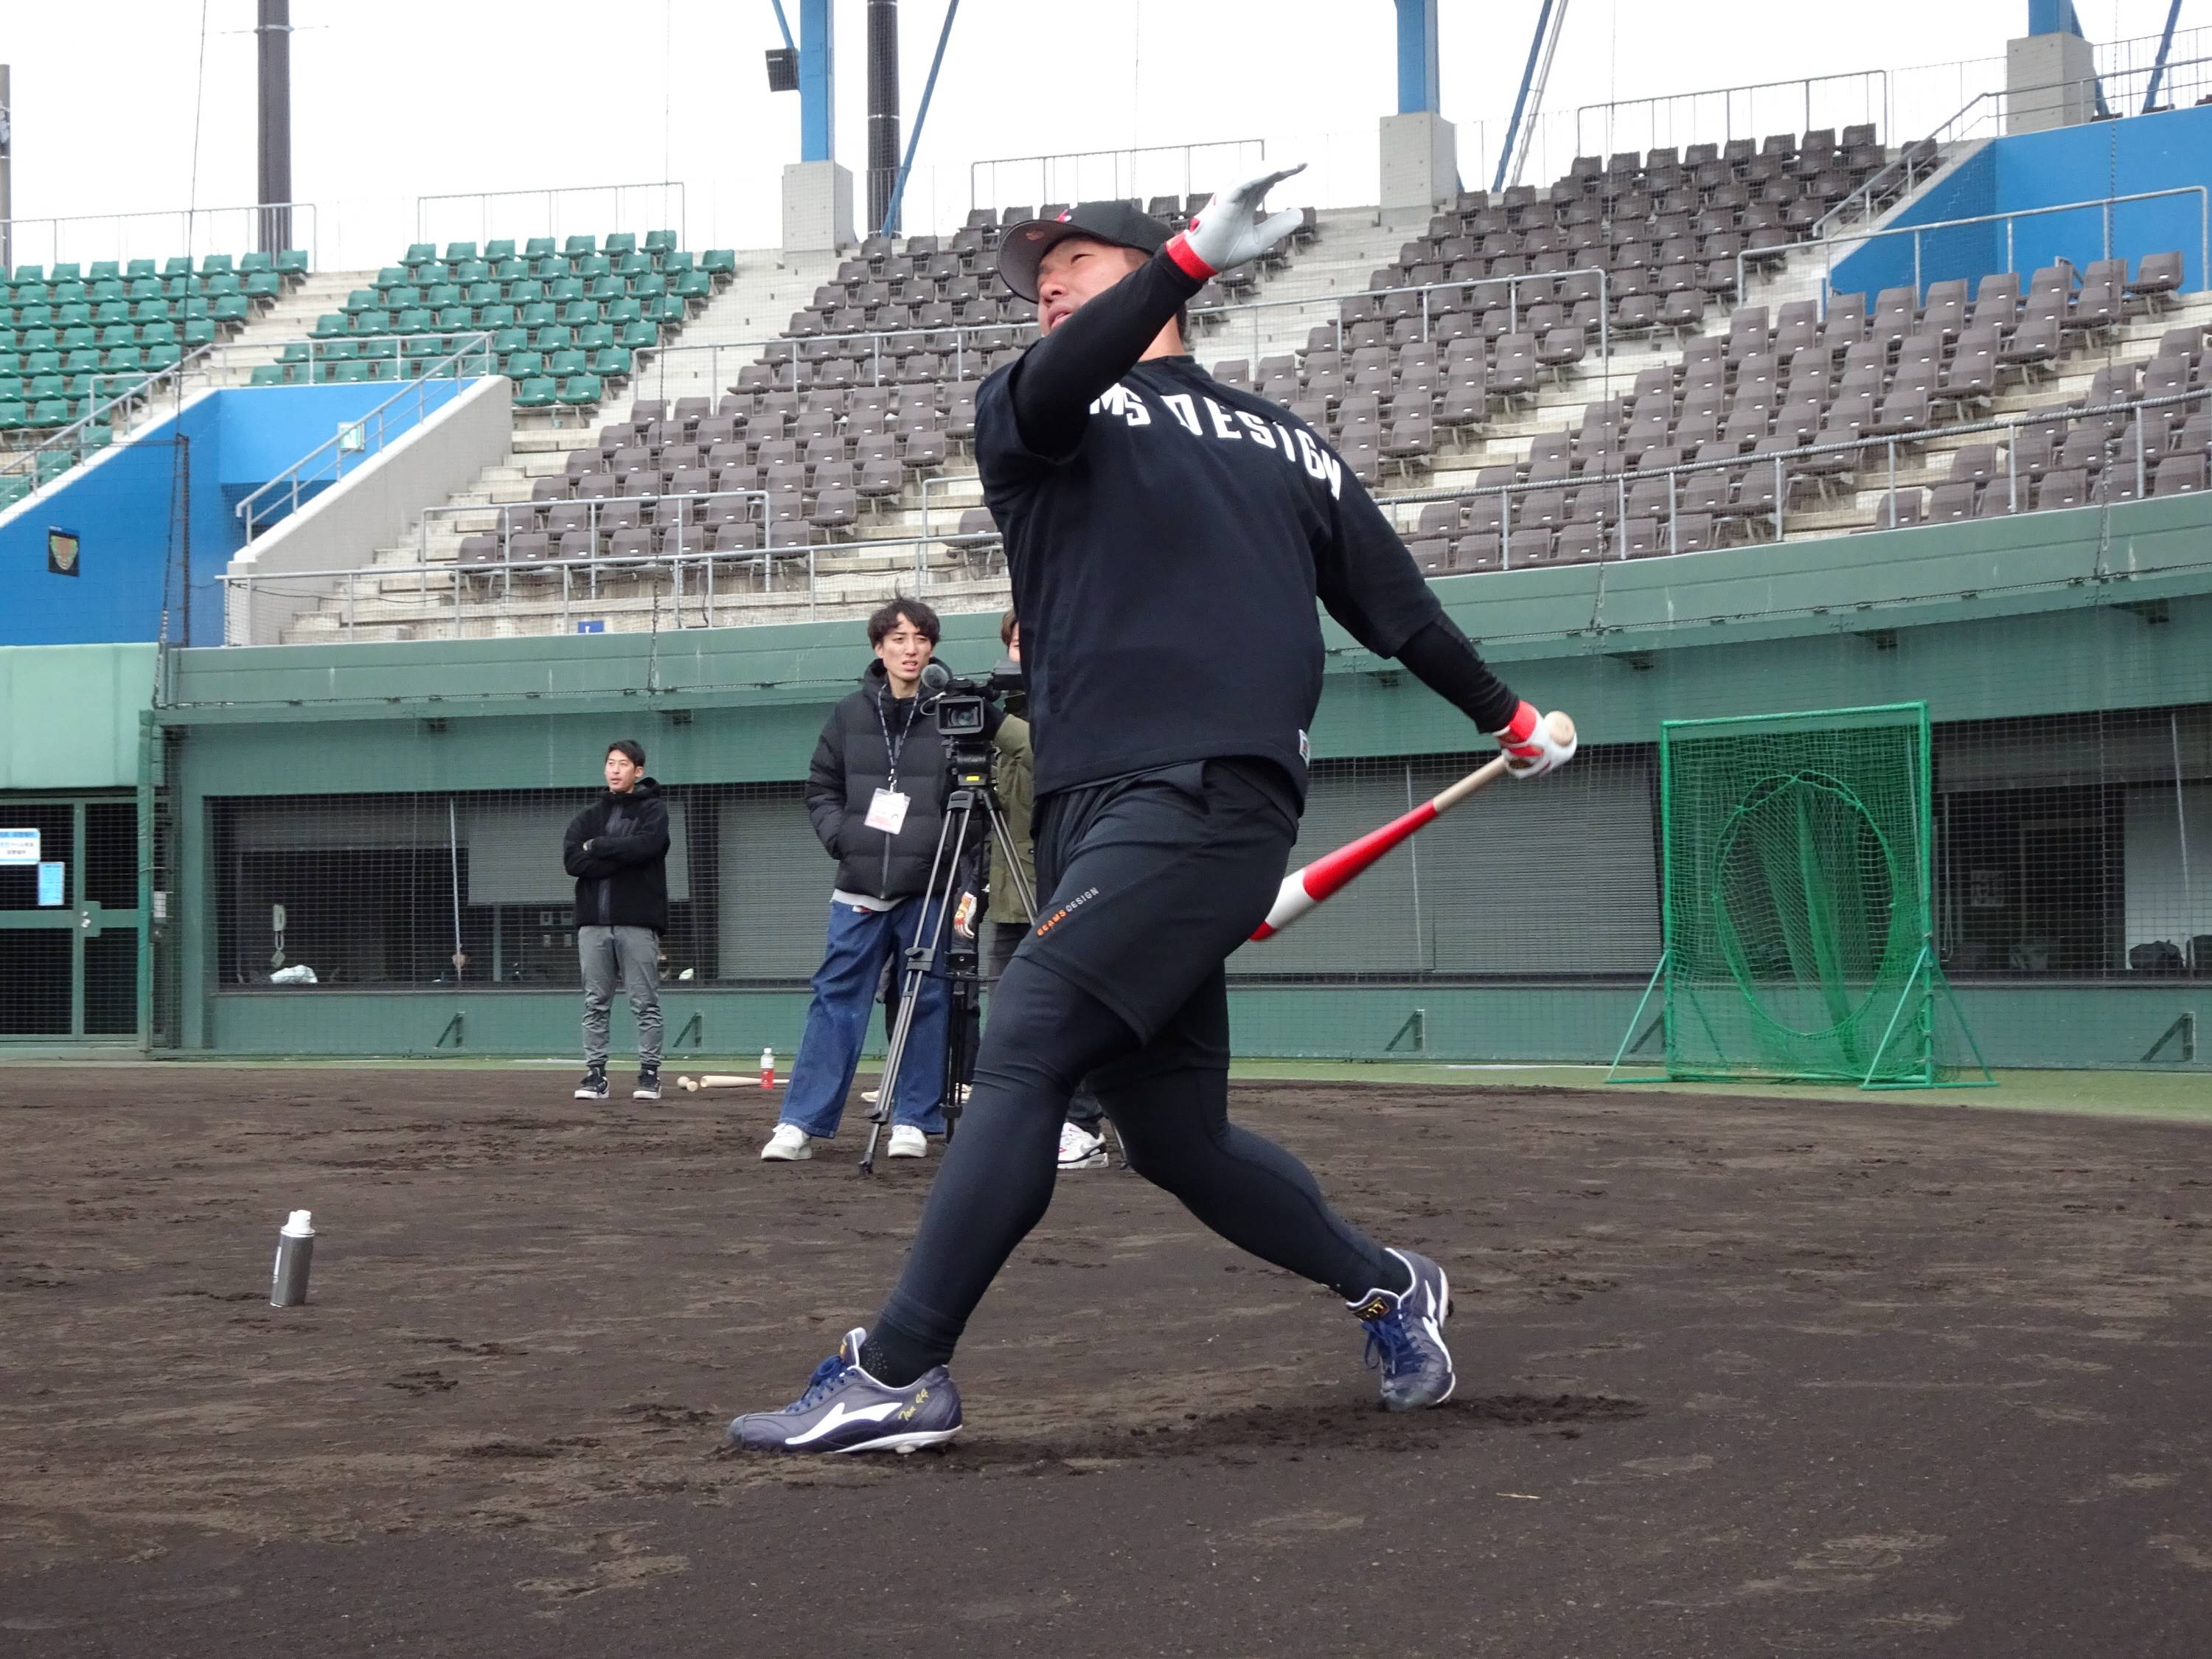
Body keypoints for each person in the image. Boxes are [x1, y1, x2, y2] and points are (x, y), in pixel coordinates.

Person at [728, 171, 1574, 1455]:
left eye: (1075, 263)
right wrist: (1182, 262)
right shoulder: (1041, 413)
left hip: (1201, 796)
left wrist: (1505, 717)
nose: (1047, 284)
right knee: (1178, 1138)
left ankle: (897, 1370)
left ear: (1144, 277)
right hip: (1098, 809)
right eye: (1037, 277)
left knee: (1027, 1041)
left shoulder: (1286, 441)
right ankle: (1395, 1287)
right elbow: (1065, 379)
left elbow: (1395, 607)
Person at [762, 597, 956, 1162]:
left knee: (925, 1000)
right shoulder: (849, 714)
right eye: (898, 638)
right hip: (858, 888)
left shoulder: (950, 711)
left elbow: (972, 793)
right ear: (879, 647)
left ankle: (913, 1121)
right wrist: (842, 839)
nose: (911, 648)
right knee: (835, 999)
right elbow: (821, 788)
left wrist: (952, 863)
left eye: (921, 638)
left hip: (929, 890)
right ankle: (800, 1123)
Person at [986, 610, 1107, 1171]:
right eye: (1014, 644)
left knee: (1067, 1010)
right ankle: (1023, 1119)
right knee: (1009, 1012)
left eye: (1031, 644)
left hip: (1061, 889)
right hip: (1008, 898)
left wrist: (997, 726)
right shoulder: (998, 720)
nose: (1022, 654)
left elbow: (1045, 760)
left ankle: (1081, 1122)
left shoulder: (1075, 705)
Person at [564, 740, 671, 1102]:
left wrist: (597, 847)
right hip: (592, 924)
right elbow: (572, 863)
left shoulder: (654, 812)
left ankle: (650, 1075)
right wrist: (621, 853)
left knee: (645, 1002)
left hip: (638, 923)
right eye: (610, 763)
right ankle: (595, 1076)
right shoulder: (587, 818)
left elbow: (649, 847)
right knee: (596, 1001)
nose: (615, 770)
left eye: (623, 764)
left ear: (637, 771)